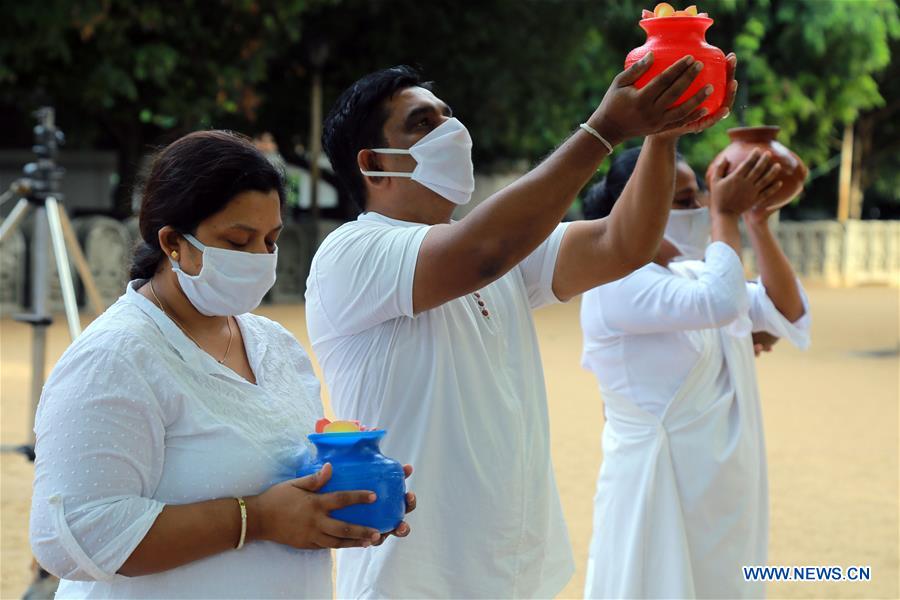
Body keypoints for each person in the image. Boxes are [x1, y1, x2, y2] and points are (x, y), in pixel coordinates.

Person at [305, 54, 736, 598]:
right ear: (373, 163)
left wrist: (662, 135)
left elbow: (623, 244)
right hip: (412, 581)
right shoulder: (352, 252)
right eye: (422, 122)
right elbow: (483, 251)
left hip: (515, 575)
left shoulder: (496, 246)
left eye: (446, 114)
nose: (449, 129)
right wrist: (603, 130)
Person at [29, 130, 414, 599]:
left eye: (270, 241)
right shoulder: (115, 358)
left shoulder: (275, 346)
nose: (259, 259)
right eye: (238, 240)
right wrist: (259, 519)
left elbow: (276, 476)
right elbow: (72, 538)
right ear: (173, 242)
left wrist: (348, 494)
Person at [579, 146, 811, 598]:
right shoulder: (616, 283)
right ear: (639, 204)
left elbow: (788, 311)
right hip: (658, 487)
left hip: (719, 493)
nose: (699, 210)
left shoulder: (691, 275)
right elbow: (722, 302)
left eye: (699, 198)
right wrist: (725, 214)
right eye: (684, 202)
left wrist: (756, 223)